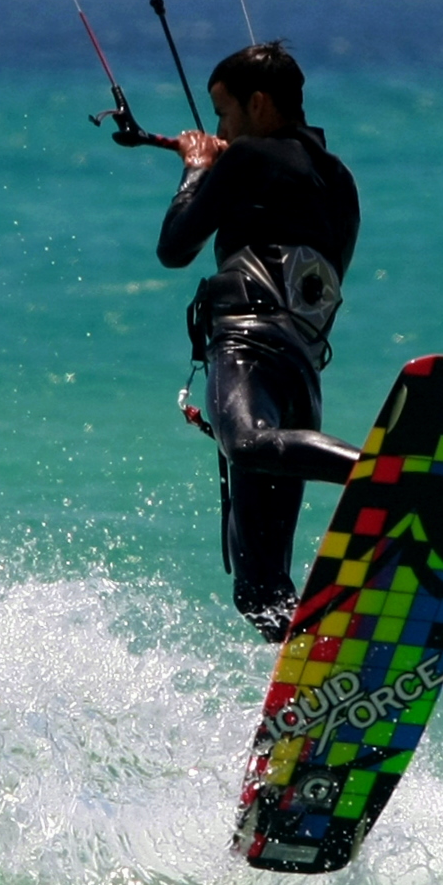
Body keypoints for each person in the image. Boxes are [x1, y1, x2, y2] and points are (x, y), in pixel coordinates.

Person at [157, 41, 361, 643]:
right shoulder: (339, 180)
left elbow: (174, 247)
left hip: (248, 346)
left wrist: (199, 169)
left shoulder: (246, 158)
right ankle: (318, 672)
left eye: (224, 113)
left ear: (260, 103)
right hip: (301, 371)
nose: (219, 127)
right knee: (259, 590)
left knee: (245, 443)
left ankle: (382, 473)